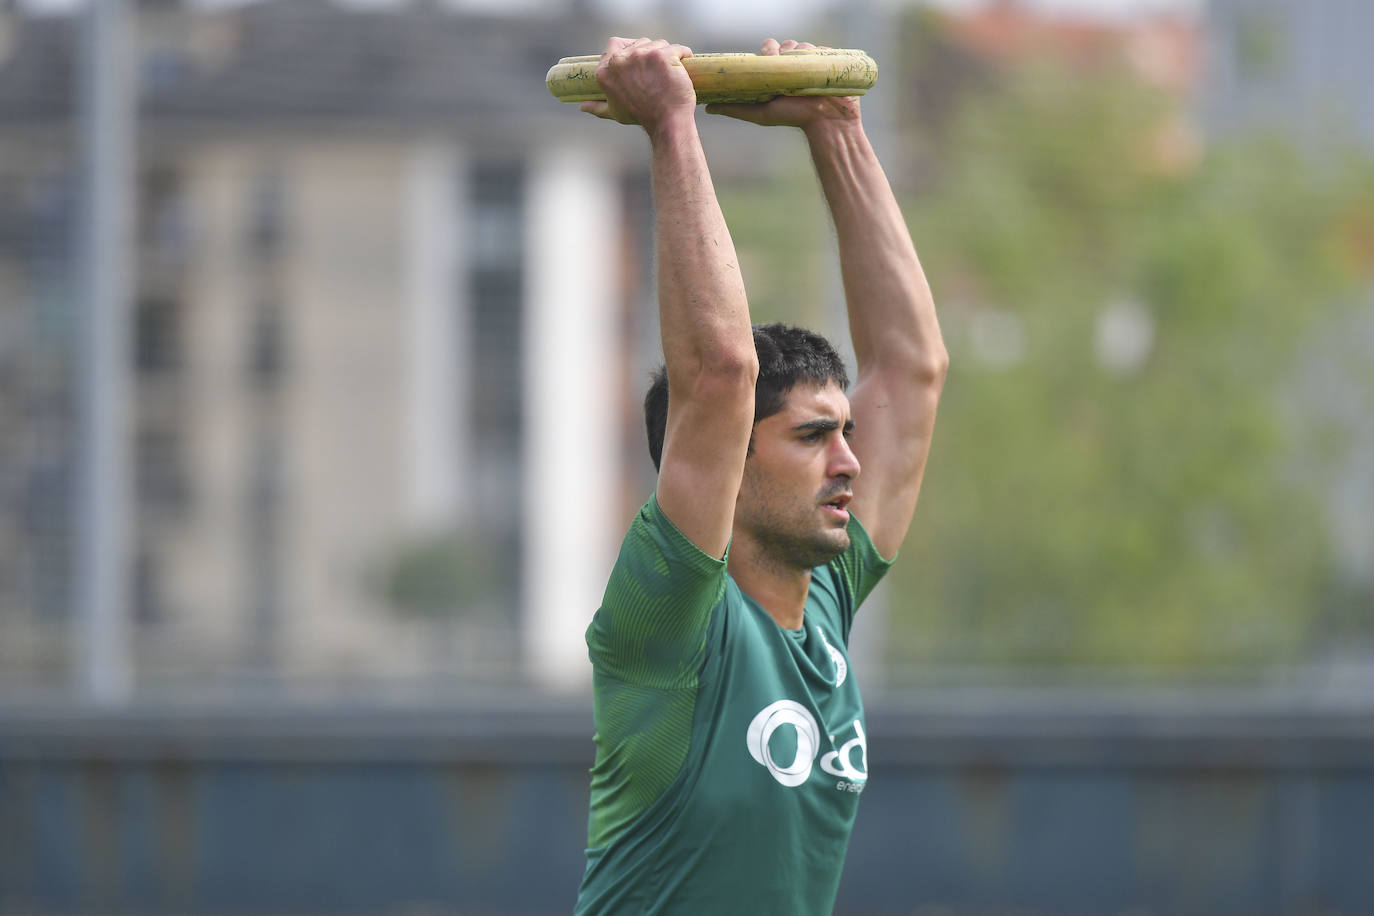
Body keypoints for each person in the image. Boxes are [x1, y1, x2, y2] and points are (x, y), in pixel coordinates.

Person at [573, 35, 947, 915]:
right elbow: (719, 374)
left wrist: (837, 128)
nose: (850, 461)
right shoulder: (666, 625)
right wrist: (671, 122)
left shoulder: (826, 600)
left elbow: (912, 367)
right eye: (814, 437)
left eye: (847, 432)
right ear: (726, 469)